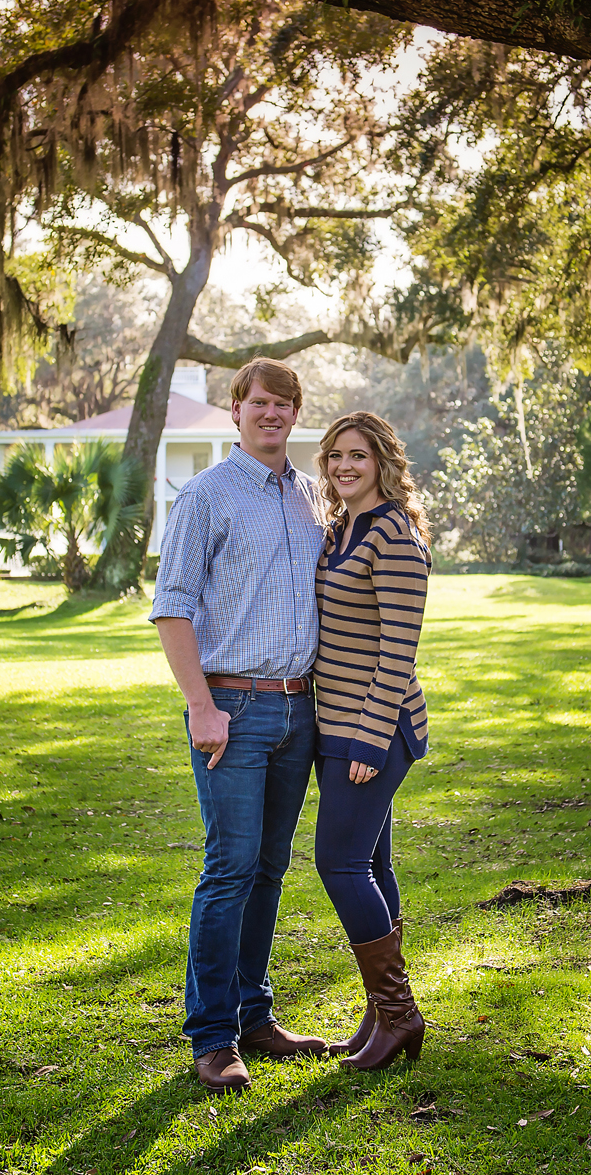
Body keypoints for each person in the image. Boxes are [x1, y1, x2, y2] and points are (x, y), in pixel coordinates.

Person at [147, 357, 335, 1094]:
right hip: (234, 708)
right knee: (228, 868)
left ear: (295, 413)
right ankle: (213, 1035)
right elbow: (173, 605)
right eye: (260, 402)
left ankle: (256, 1015)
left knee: (268, 867)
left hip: (300, 706)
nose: (273, 413)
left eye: (285, 403)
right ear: (235, 409)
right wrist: (201, 704)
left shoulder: (313, 497)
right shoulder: (206, 496)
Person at [310, 411, 432, 1070]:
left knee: (339, 863)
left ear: (382, 461)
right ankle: (382, 1013)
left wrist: (367, 738)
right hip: (338, 727)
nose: (344, 467)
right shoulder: (342, 530)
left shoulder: (395, 536)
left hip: (375, 731)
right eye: (334, 457)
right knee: (374, 867)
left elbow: (397, 651)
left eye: (357, 455)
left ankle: (401, 1012)